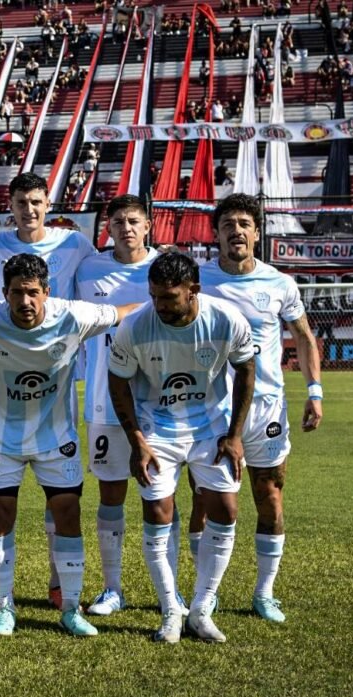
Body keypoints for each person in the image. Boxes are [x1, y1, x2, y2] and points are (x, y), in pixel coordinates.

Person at [0, 254, 135, 637]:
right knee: (1, 518)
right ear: (4, 293)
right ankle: (5, 609)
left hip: (56, 439)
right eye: (16, 293)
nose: (25, 301)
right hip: (1, 437)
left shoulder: (73, 315)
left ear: (47, 292)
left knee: (68, 515)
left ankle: (71, 609)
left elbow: (124, 312)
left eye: (33, 292)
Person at [108, 252, 256, 644]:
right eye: (154, 295)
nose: (159, 305)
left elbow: (246, 369)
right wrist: (137, 441)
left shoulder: (226, 319)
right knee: (159, 513)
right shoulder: (135, 327)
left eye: (169, 297)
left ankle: (202, 609)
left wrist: (235, 435)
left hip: (211, 428)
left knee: (225, 509)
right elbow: (117, 382)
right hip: (156, 429)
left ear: (194, 291)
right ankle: (171, 611)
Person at [196, 193, 323, 623]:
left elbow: (303, 337)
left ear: (257, 232)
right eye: (228, 224)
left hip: (266, 408)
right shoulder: (198, 279)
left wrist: (315, 391)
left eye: (244, 224)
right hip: (212, 409)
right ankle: (206, 592)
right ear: (216, 234)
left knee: (269, 496)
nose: (236, 231)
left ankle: (264, 593)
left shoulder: (279, 283)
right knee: (209, 503)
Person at [0, 172, 98, 607]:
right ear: (9, 206)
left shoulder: (75, 243)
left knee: (62, 503)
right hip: (3, 372)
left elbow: (112, 283)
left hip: (55, 377)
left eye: (36, 201)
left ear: (48, 204)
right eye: (21, 202)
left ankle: (60, 587)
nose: (29, 210)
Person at [75, 194, 163, 618]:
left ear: (148, 226)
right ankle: (112, 589)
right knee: (111, 494)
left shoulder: (165, 267)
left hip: (158, 403)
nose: (126, 228)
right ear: (107, 229)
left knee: (159, 498)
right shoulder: (88, 269)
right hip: (103, 402)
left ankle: (167, 591)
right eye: (118, 222)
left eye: (133, 221)